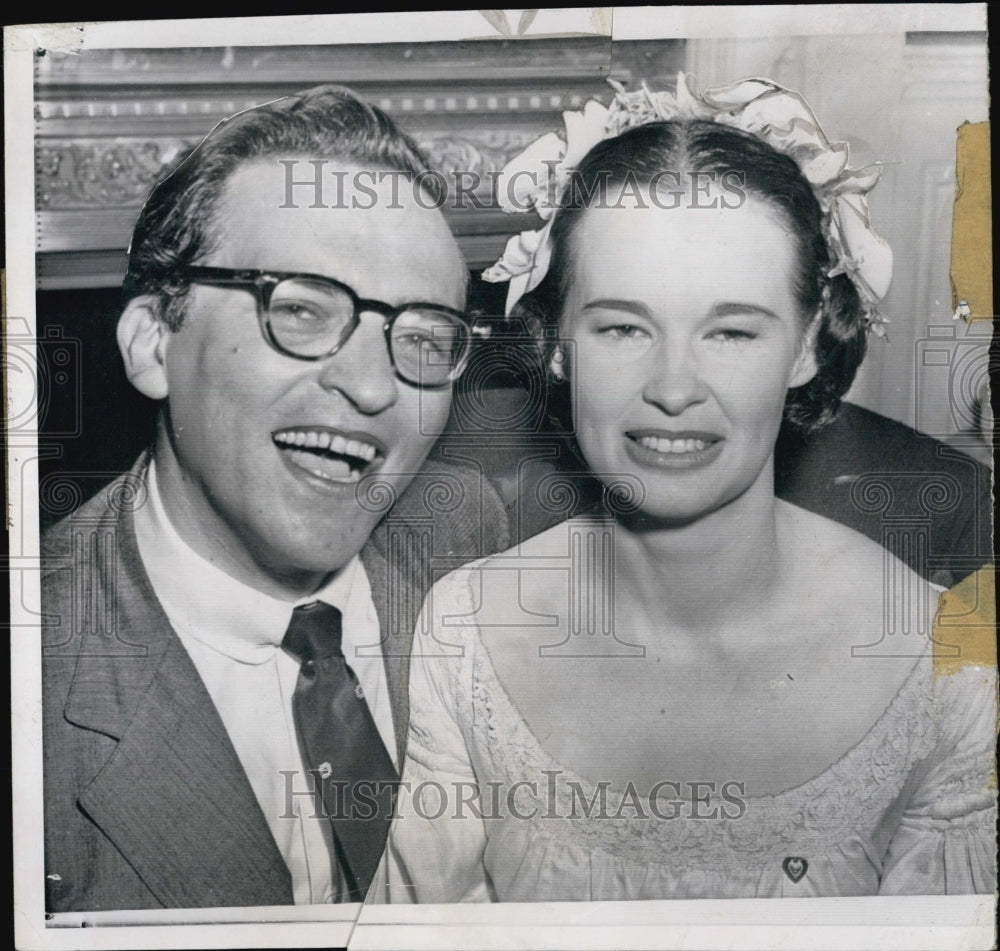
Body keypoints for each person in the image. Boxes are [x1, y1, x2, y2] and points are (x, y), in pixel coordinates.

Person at [377, 76, 996, 902]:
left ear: (808, 345)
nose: (674, 386)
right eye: (624, 327)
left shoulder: (940, 664)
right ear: (558, 342)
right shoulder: (463, 632)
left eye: (731, 330)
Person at [41, 86, 509, 911]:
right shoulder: (37, 688)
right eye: (298, 309)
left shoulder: (469, 538)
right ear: (153, 342)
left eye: (426, 336)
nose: (370, 387)